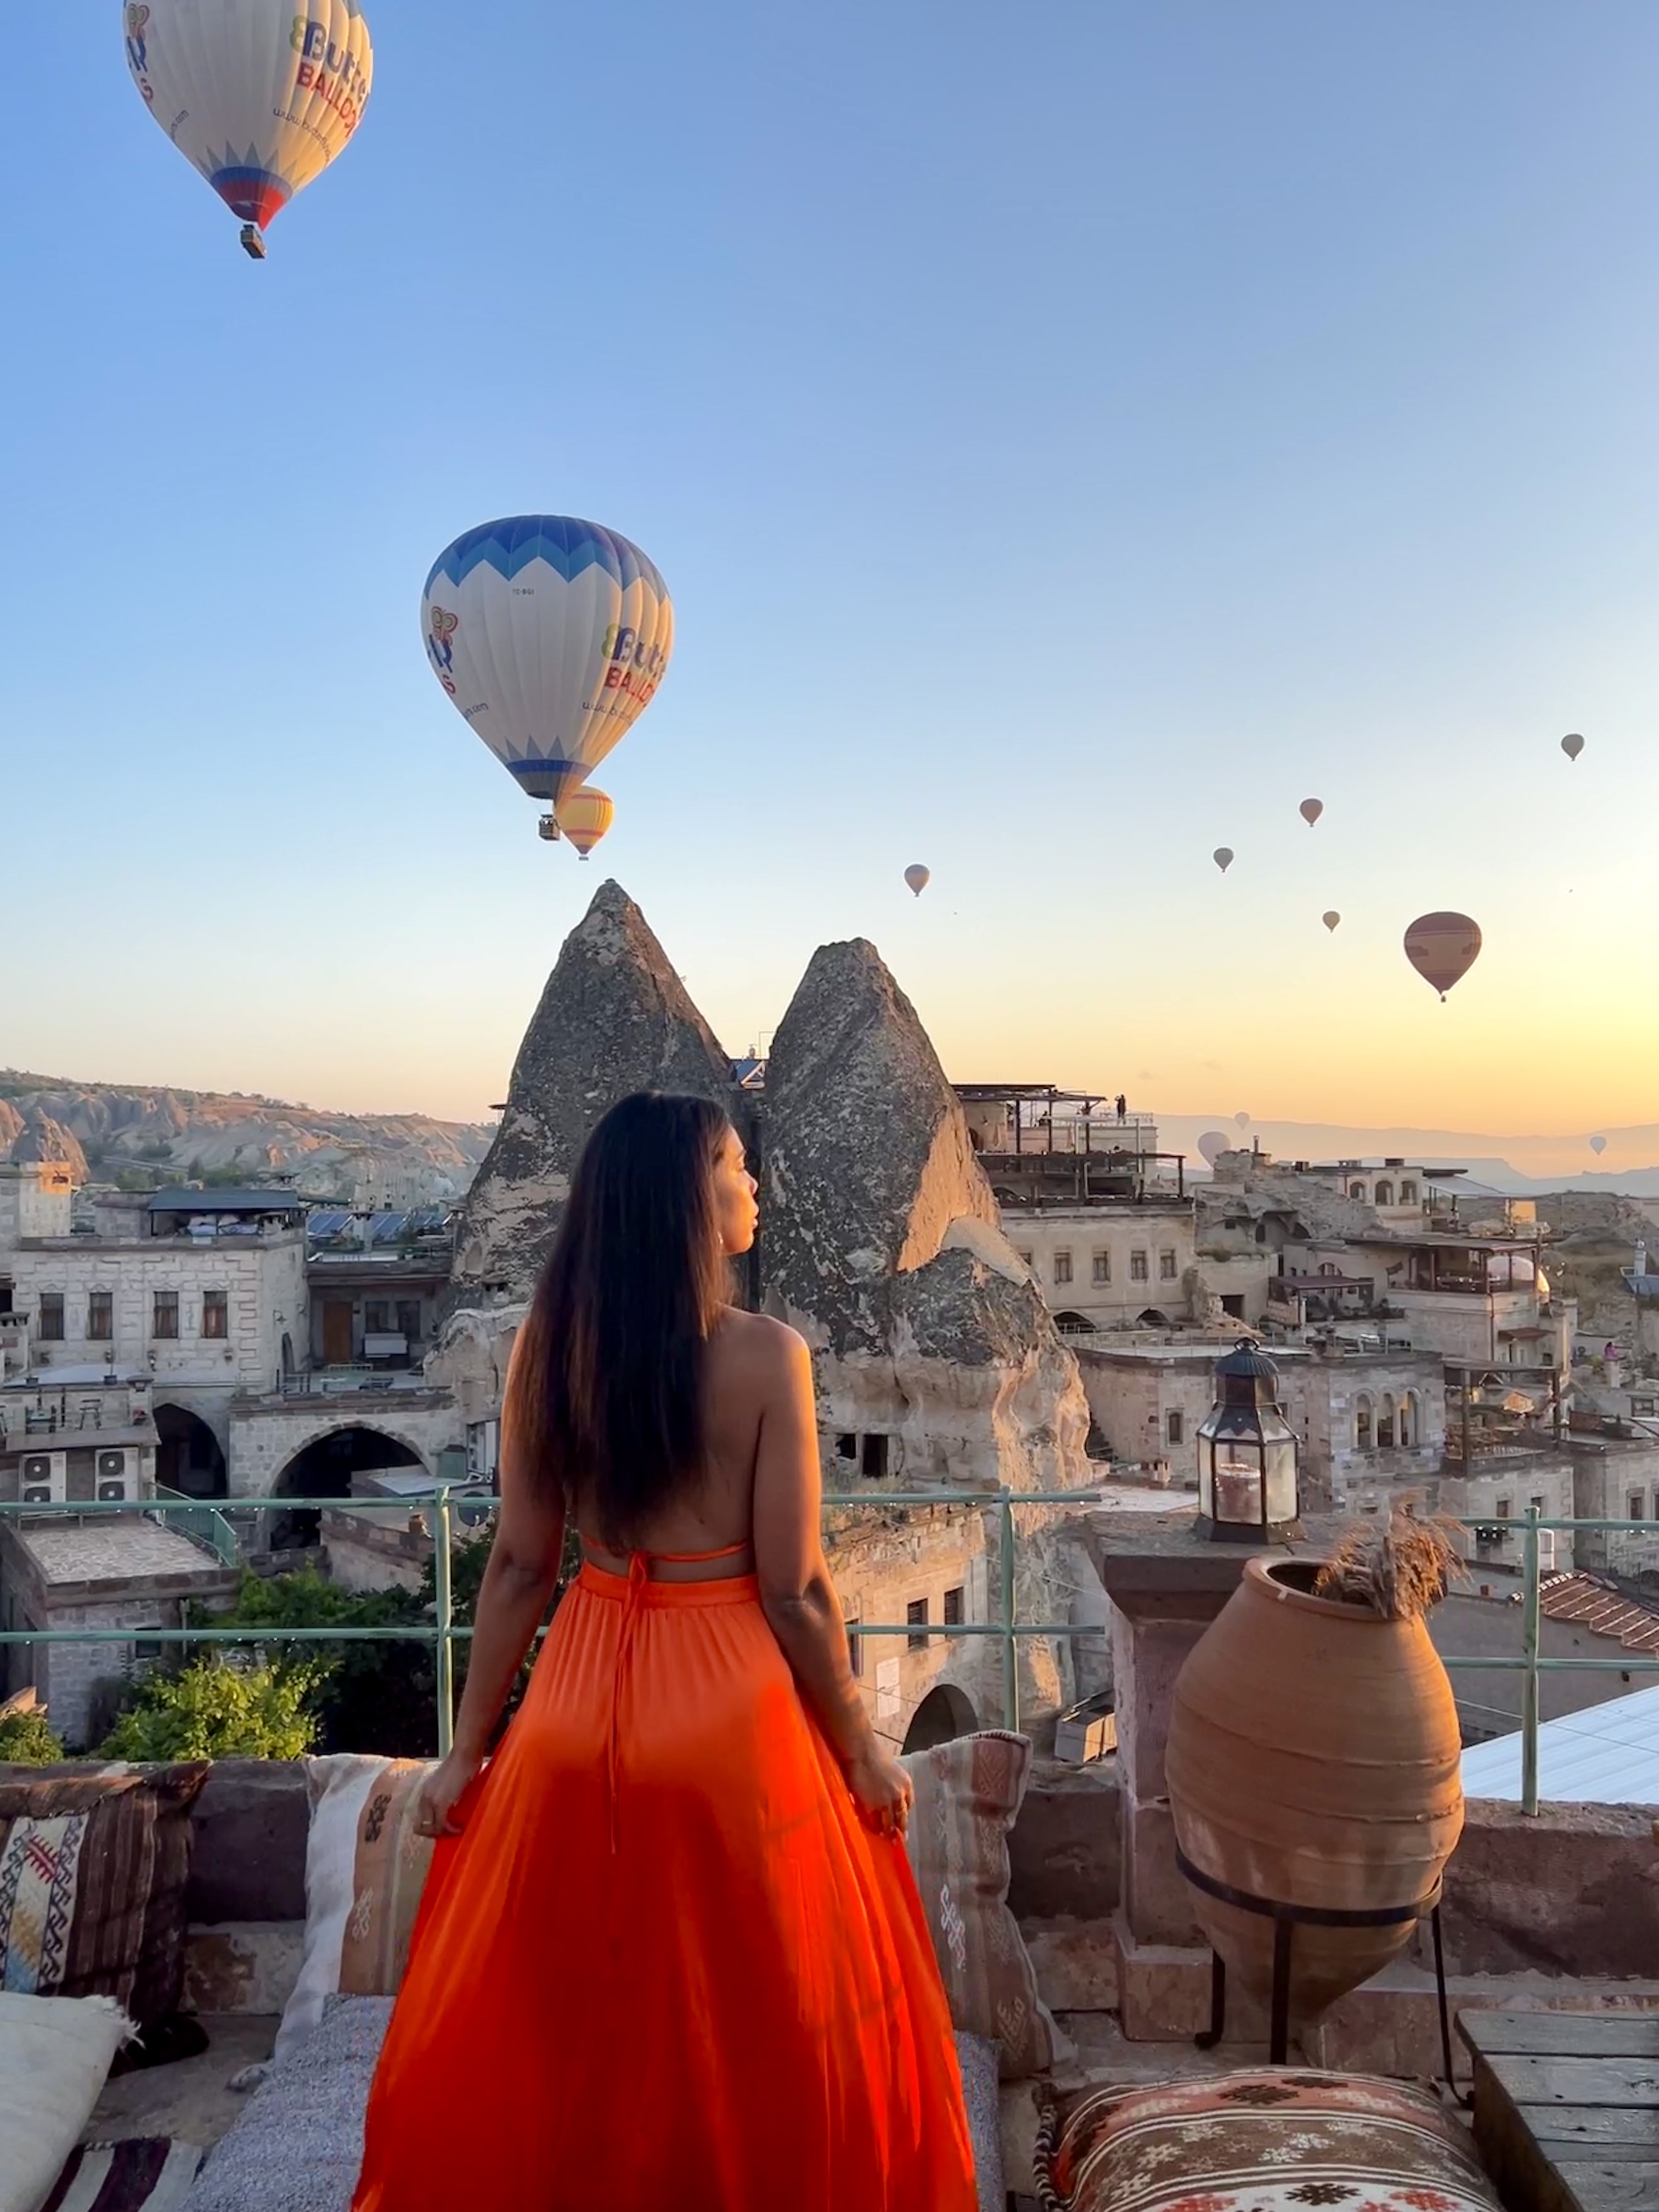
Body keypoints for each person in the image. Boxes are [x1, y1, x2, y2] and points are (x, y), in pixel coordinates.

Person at [351, 1093, 977, 2212]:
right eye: (737, 1166)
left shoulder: (547, 1349)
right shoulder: (768, 1357)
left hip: (576, 1708)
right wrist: (863, 1752)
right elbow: (793, 1592)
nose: (756, 1186)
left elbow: (515, 1570)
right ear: (692, 1199)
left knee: (579, 2020)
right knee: (756, 2021)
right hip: (728, 1713)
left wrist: (462, 1755)